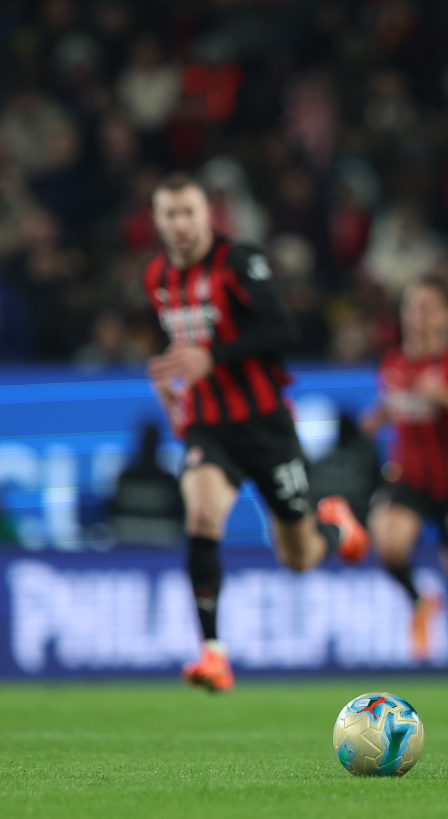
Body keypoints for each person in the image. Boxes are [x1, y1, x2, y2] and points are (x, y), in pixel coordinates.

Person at [141, 172, 369, 693]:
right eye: (169, 214)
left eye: (189, 213)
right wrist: (171, 382)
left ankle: (337, 525)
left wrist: (211, 356)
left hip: (266, 425)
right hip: (208, 425)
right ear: (157, 220)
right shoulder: (156, 276)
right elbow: (180, 341)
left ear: (207, 215)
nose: (180, 224)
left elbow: (281, 330)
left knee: (300, 556)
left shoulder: (239, 261)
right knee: (200, 515)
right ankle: (213, 654)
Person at [361, 278, 448, 693]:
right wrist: (374, 420)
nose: (418, 315)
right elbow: (391, 407)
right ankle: (420, 600)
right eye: (412, 306)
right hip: (407, 477)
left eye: (427, 307)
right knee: (388, 543)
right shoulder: (392, 363)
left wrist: (445, 395)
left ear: (446, 316)